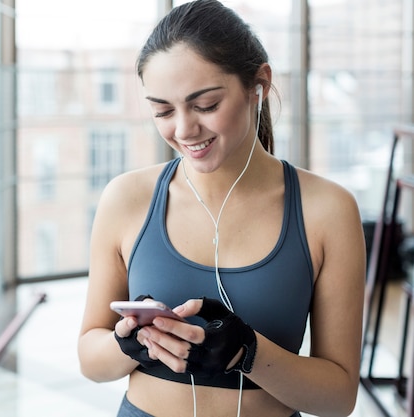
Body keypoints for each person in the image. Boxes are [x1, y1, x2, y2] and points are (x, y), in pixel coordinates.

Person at [78, 1, 366, 416]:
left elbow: (338, 399)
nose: (183, 130)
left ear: (258, 85)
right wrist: (133, 343)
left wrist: (248, 353)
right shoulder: (125, 199)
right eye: (162, 110)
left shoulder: (327, 210)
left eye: (206, 105)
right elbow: (91, 358)